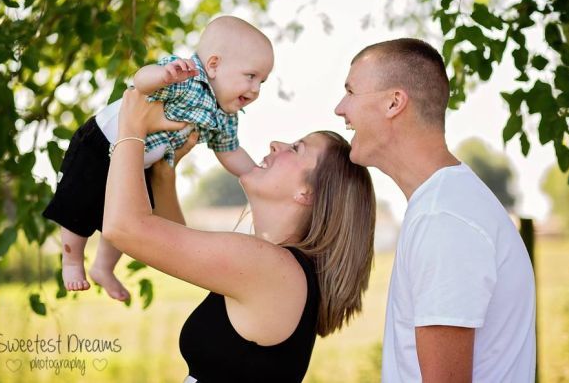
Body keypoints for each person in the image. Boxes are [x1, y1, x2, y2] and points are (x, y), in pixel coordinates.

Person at [101, 88, 377, 382]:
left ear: (306, 192)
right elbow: (178, 246)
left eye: (296, 149)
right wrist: (164, 175)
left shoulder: (271, 266)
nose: (275, 144)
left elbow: (124, 228)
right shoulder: (280, 268)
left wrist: (131, 126)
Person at [334, 38, 536, 382]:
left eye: (350, 92)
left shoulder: (444, 218)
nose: (340, 108)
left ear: (394, 102)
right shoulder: (442, 205)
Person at [42, 15, 274, 300]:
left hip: (140, 163)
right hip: (102, 143)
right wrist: (163, 76)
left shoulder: (224, 115)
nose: (256, 89)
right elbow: (140, 81)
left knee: (128, 215)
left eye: (262, 81)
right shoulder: (186, 77)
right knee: (78, 206)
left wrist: (256, 173)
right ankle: (73, 262)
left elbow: (230, 151)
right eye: (251, 76)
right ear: (214, 65)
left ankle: (104, 266)